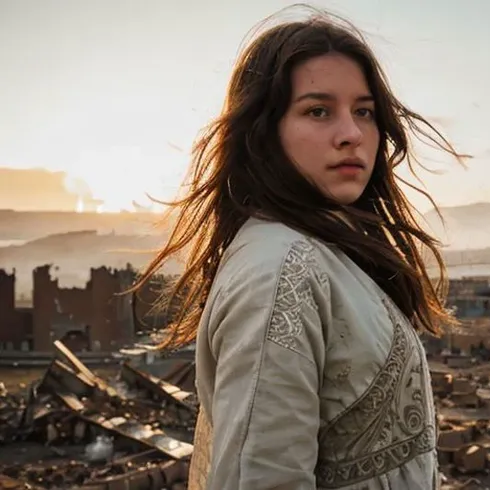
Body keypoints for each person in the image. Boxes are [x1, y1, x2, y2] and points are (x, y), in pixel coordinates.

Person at [132, 6, 465, 490]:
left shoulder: (323, 251)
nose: (351, 133)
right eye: (318, 110)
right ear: (264, 133)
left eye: (364, 112)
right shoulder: (279, 271)